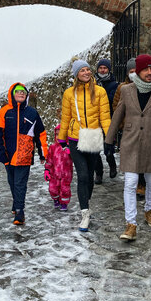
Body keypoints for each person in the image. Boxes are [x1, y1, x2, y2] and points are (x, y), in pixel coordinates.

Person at [105, 54, 151, 240]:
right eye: (146, 69)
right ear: (138, 71)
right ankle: (131, 224)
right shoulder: (127, 90)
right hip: (130, 142)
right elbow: (118, 115)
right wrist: (108, 141)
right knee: (130, 183)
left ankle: (149, 210)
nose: (150, 72)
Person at [58, 59, 111, 232]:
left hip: (94, 137)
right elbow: (66, 117)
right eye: (82, 70)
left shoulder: (100, 92)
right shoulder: (69, 94)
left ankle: (86, 202)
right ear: (76, 74)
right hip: (75, 138)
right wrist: (61, 138)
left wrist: (109, 137)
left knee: (89, 175)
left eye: (88, 69)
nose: (87, 72)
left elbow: (105, 116)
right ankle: (85, 213)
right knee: (82, 175)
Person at [0, 83, 48, 225]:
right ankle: (16, 203)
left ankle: (19, 211)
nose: (21, 94)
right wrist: (0, 152)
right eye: (18, 92)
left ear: (27, 95)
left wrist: (43, 153)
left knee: (19, 183)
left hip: (25, 154)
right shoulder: (4, 112)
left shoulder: (32, 113)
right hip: (8, 154)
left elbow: (40, 134)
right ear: (12, 94)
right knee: (12, 181)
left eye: (23, 92)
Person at [112, 58, 146, 199]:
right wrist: (122, 123)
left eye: (135, 71)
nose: (133, 74)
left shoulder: (146, 86)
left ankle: (141, 185)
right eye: (131, 72)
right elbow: (116, 106)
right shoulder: (122, 88)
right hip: (128, 129)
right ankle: (133, 184)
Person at [94, 58, 119, 184]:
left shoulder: (114, 84)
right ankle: (98, 173)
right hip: (94, 120)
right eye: (100, 68)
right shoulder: (92, 83)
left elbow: (113, 100)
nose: (102, 70)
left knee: (107, 147)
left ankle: (112, 164)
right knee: (94, 150)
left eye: (105, 68)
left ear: (108, 70)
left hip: (108, 119)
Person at [44, 124, 73, 211]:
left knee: (65, 190)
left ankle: (64, 203)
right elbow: (49, 160)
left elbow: (76, 159)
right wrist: (47, 170)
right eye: (56, 134)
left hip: (66, 174)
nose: (58, 137)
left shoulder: (69, 147)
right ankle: (56, 199)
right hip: (54, 173)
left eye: (61, 135)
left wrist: (71, 152)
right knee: (53, 189)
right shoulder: (52, 147)